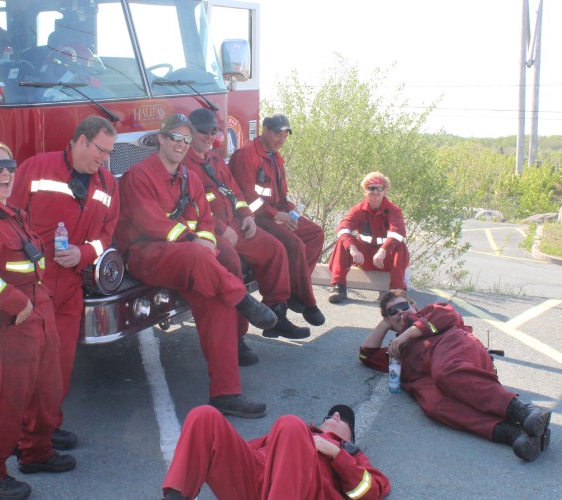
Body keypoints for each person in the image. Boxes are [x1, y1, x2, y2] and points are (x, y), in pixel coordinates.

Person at [115, 113, 278, 419]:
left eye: (186, 140)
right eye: (175, 137)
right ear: (161, 139)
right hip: (145, 255)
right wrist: (194, 240)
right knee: (203, 259)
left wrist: (204, 239)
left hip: (190, 257)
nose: (181, 144)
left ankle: (226, 393)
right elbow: (150, 222)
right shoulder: (139, 175)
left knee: (217, 302)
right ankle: (242, 298)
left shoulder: (189, 177)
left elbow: (204, 219)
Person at [0, 139, 75, 500]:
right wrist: (14, 303)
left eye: (9, 165)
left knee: (45, 389)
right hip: (7, 322)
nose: (5, 173)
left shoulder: (12, 213)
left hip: (36, 314)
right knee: (8, 399)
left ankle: (36, 452)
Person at [9, 116, 120, 451]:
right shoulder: (36, 169)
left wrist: (84, 253)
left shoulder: (108, 184)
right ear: (81, 141)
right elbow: (5, 217)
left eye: (110, 152)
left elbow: (106, 235)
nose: (105, 158)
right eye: (101, 149)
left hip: (70, 287)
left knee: (59, 363)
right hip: (31, 286)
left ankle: (45, 428)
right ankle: (15, 433)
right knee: (25, 363)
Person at [360, 290, 552, 461]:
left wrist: (406, 334)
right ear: (387, 320)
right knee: (434, 406)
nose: (400, 312)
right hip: (429, 378)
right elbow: (366, 355)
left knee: (446, 372)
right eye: (393, 312)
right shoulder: (396, 350)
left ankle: (523, 410)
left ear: (414, 305)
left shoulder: (430, 312)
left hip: (454, 348)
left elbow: (449, 314)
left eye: (403, 306)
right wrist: (386, 325)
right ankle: (514, 434)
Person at [185, 108, 311, 354]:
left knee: (275, 249)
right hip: (213, 230)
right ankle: (236, 339)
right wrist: (221, 229)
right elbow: (193, 206)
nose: (209, 137)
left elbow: (237, 194)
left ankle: (277, 316)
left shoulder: (217, 161)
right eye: (203, 132)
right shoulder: (185, 166)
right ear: (189, 133)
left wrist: (248, 216)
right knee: (233, 267)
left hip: (238, 225)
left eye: (213, 132)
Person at [161, 404, 390, 499]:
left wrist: (336, 453)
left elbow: (374, 489)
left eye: (343, 419)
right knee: (205, 415)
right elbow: (239, 452)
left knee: (290, 423)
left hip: (303, 491)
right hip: (257, 483)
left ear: (350, 437)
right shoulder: (296, 431)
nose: (335, 416)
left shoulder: (351, 454)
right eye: (329, 415)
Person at [230, 113, 326, 328]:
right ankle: (307, 302)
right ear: (264, 130)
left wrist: (292, 212)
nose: (281, 139)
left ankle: (294, 289)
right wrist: (276, 216)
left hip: (277, 213)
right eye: (277, 134)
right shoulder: (246, 156)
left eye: (285, 135)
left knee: (315, 234)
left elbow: (281, 194)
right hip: (257, 218)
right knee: (294, 245)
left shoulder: (275, 157)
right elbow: (246, 198)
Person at [328, 172, 410, 304]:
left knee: (400, 246)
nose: (376, 192)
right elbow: (343, 227)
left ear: (385, 191)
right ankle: (338, 286)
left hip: (384, 259)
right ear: (365, 191)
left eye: (380, 188)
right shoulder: (358, 210)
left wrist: (383, 250)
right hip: (364, 257)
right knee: (343, 241)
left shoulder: (394, 210)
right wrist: (353, 248)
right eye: (371, 188)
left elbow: (398, 232)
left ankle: (397, 291)